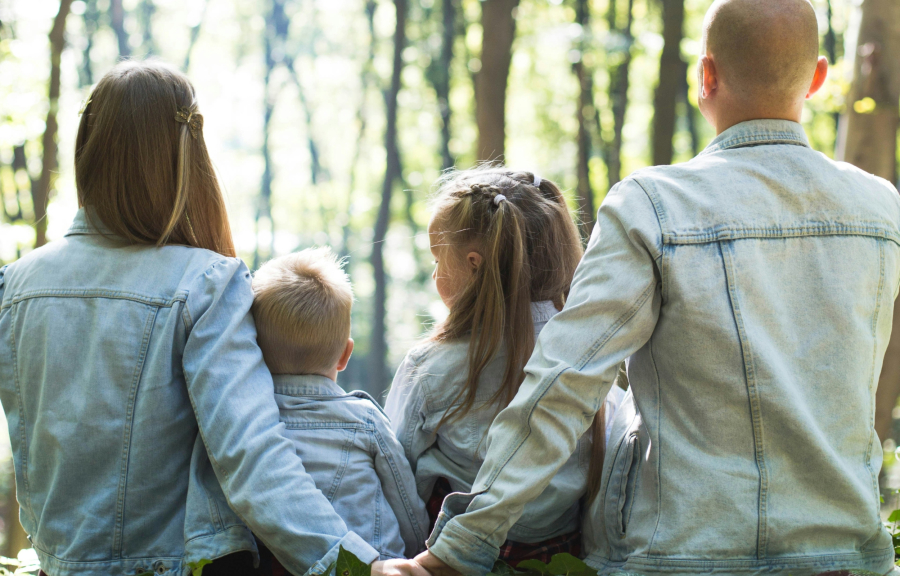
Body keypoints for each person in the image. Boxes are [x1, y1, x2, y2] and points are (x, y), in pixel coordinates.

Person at [398, 1, 900, 575]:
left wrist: (460, 547)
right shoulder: (882, 210)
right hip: (848, 560)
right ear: (817, 78)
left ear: (705, 76)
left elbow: (564, 384)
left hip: (681, 558)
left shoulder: (654, 207)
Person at [0, 61, 420, 576]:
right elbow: (251, 456)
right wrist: (359, 564)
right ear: (185, 155)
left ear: (86, 147)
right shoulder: (205, 283)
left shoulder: (13, 285)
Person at [384, 168, 626, 567]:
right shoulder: (591, 363)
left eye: (437, 259)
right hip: (560, 561)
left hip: (447, 562)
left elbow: (395, 472)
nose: (433, 274)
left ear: (474, 265)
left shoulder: (431, 367)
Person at [248, 247, 429, 566]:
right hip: (372, 565)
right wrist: (416, 553)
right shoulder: (365, 419)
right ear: (345, 355)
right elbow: (407, 508)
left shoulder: (245, 422)